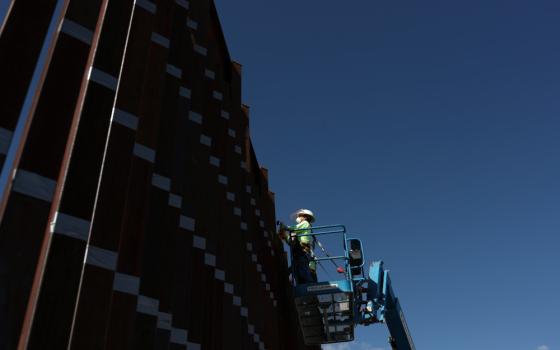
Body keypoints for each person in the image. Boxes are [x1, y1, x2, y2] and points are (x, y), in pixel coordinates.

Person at [278, 209, 317, 284]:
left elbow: (294, 228)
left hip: (302, 250)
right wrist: (285, 236)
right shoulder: (305, 227)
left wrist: (284, 227)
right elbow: (291, 240)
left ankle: (308, 283)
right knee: (298, 266)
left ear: (305, 217)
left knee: (302, 267)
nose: (298, 217)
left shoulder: (305, 223)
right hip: (300, 250)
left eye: (300, 216)